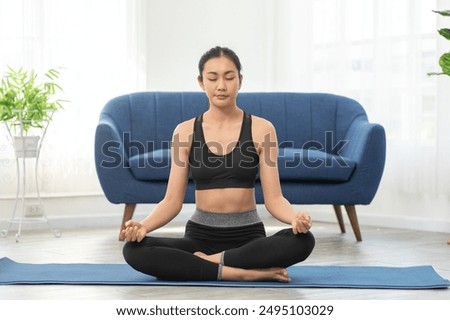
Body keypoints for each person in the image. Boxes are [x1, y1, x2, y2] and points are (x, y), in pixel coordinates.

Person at [122, 46, 315, 282]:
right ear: (201, 82)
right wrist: (143, 226)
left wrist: (295, 218)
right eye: (212, 78)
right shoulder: (184, 132)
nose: (221, 86)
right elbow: (172, 201)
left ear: (240, 81)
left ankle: (209, 263)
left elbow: (274, 199)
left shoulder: (262, 129)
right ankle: (240, 272)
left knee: (303, 241)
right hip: (200, 236)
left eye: (229, 77)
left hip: (249, 237)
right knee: (133, 250)